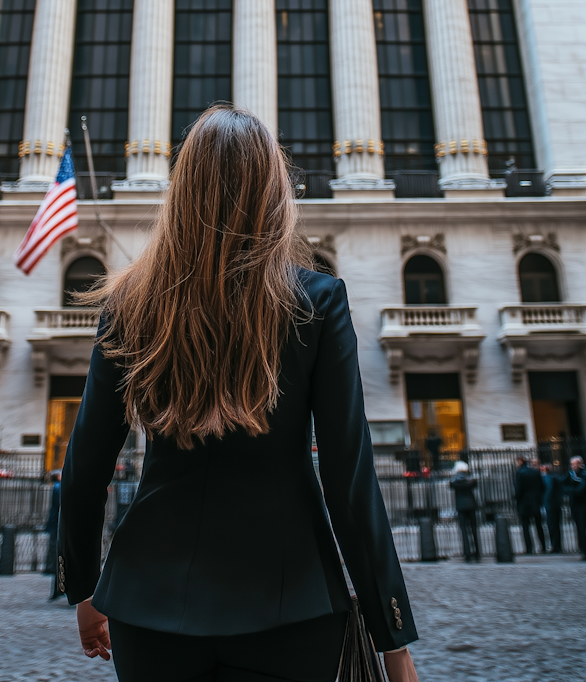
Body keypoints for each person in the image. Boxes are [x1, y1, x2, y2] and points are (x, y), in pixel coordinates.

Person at [59, 106, 420, 682]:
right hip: (292, 602)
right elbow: (350, 482)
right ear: (273, 190)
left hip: (147, 602)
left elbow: (83, 468)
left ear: (182, 191)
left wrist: (82, 588)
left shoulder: (128, 304)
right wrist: (392, 637)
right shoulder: (318, 302)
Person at [514, 456, 546, 554]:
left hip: (524, 503)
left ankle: (529, 548)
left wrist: (517, 499)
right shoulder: (535, 472)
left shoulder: (520, 473)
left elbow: (518, 489)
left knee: (525, 527)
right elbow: (542, 487)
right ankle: (543, 546)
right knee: (539, 525)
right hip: (535, 502)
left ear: (520, 462)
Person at [449, 461, 480, 562]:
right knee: (474, 529)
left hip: (461, 506)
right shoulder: (471, 480)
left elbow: (451, 486)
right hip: (471, 505)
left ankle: (467, 553)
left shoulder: (454, 481)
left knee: (464, 530)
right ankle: (477, 552)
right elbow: (474, 485)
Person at [565, 455, 586, 560]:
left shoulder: (584, 474)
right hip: (575, 506)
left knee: (582, 530)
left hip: (582, 507)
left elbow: (580, 491)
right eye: (571, 464)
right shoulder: (572, 474)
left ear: (579, 464)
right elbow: (563, 483)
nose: (572, 466)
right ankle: (583, 550)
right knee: (579, 530)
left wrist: (570, 490)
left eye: (574, 464)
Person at [45, 470, 62, 600]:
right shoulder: (58, 487)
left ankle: (58, 589)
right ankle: (59, 589)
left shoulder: (57, 487)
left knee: (59, 555)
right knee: (59, 554)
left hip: (56, 523)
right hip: (59, 524)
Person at [541, 463, 564, 554]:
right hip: (556, 504)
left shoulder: (547, 478)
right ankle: (557, 546)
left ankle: (555, 546)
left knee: (552, 526)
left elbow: (548, 491)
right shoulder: (556, 476)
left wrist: (544, 502)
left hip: (550, 505)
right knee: (556, 526)